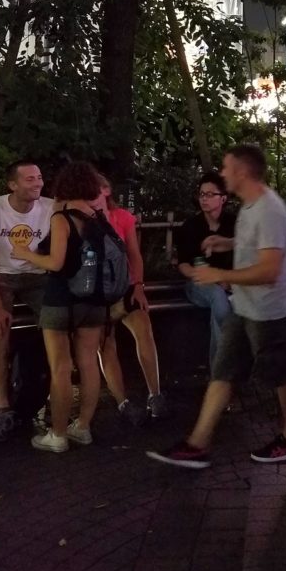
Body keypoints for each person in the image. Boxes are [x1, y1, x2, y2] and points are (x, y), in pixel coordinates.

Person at [147, 144, 286, 468]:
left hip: (267, 313)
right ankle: (197, 444)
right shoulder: (251, 205)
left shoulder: (269, 210)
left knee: (280, 375)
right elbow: (256, 246)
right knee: (223, 372)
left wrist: (220, 273)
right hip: (244, 309)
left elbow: (270, 269)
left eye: (227, 168)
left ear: (242, 172)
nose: (223, 173)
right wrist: (227, 243)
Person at [11, 161, 110, 452]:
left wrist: (26, 254)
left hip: (61, 300)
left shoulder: (62, 217)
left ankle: (57, 435)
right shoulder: (98, 217)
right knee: (89, 364)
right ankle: (82, 427)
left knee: (61, 368)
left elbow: (55, 262)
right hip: (93, 301)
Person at [0, 160, 53, 440]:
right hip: (2, 274)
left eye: (39, 177)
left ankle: (51, 395)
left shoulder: (51, 207)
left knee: (56, 326)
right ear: (12, 184)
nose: (37, 183)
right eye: (29, 179)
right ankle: (3, 407)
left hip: (38, 274)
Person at [96, 176, 167, 422]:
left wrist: (138, 285)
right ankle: (122, 402)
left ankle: (155, 394)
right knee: (105, 342)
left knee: (143, 327)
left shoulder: (122, 218)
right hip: (96, 292)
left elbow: (134, 254)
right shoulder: (81, 219)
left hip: (124, 285)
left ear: (106, 190)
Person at [174, 172, 235, 368]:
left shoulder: (234, 224)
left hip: (231, 283)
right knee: (219, 298)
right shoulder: (190, 227)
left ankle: (219, 374)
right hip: (199, 284)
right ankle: (224, 371)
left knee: (222, 305)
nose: (204, 199)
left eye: (210, 194)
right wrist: (212, 278)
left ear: (223, 198)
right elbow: (183, 265)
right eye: (202, 194)